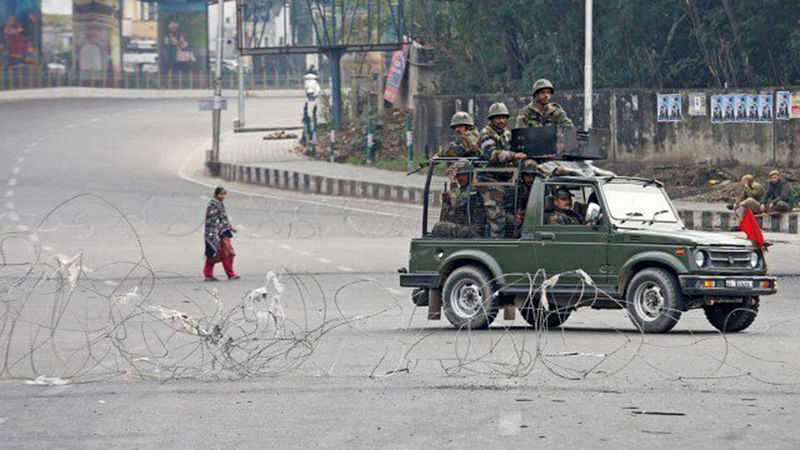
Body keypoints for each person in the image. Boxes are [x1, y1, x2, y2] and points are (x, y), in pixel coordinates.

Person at [478, 102, 526, 238]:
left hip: (506, 180)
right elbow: (492, 155)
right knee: (497, 219)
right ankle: (495, 247)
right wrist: (513, 155)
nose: (501, 120)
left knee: (515, 217)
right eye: (497, 118)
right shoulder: (485, 134)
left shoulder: (507, 134)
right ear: (491, 119)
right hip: (488, 181)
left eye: (503, 117)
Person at [432, 159, 487, 238]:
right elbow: (451, 211)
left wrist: (453, 184)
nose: (460, 178)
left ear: (470, 175)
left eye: (463, 175)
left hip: (474, 231)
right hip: (464, 228)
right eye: (458, 176)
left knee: (440, 227)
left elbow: (457, 201)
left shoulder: (474, 189)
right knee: (441, 227)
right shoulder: (462, 190)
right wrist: (446, 202)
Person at [204, 187, 240, 281]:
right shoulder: (213, 204)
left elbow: (223, 218)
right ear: (216, 194)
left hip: (223, 232)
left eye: (224, 194)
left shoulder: (219, 203)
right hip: (215, 233)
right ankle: (209, 275)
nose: (223, 196)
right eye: (221, 194)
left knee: (228, 254)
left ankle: (230, 273)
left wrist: (230, 227)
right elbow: (212, 220)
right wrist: (216, 232)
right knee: (214, 253)